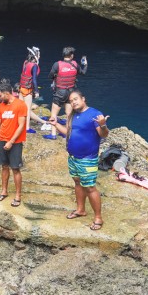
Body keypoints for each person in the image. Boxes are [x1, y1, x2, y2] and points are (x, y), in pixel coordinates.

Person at [49, 89, 109, 230]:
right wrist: (56, 124)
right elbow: (68, 133)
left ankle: (98, 218)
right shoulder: (73, 115)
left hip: (87, 158)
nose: (73, 102)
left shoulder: (94, 114)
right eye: (71, 101)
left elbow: (103, 134)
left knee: (90, 187)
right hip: (73, 157)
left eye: (76, 99)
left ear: (83, 99)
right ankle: (80, 209)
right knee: (77, 182)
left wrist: (103, 124)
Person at [0, 81, 27, 207]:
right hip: (2, 139)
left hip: (15, 142)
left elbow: (21, 125)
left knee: (15, 168)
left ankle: (18, 195)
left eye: (0, 95)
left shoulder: (20, 105)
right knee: (4, 166)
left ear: (7, 93)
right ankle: (4, 191)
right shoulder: (1, 106)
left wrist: (11, 141)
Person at [48, 46, 88, 126]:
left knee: (54, 114)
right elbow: (83, 72)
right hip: (71, 92)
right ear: (71, 55)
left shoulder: (57, 64)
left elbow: (50, 76)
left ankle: (53, 134)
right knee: (69, 114)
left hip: (60, 92)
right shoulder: (75, 64)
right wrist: (85, 64)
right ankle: (67, 132)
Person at [18, 47, 47, 133]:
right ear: (36, 55)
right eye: (39, 54)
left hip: (21, 88)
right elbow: (34, 79)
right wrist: (36, 91)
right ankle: (27, 128)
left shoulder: (26, 62)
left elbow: (22, 74)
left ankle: (41, 121)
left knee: (21, 108)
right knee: (27, 109)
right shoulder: (34, 66)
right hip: (27, 90)